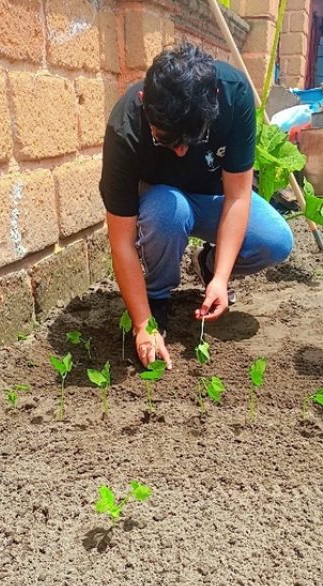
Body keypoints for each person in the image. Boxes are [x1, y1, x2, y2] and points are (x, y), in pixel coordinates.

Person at [100, 42, 294, 368]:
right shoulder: (126, 126)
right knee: (167, 209)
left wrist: (221, 276)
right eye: (166, 139)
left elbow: (238, 196)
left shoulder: (233, 94)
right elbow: (121, 241)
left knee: (276, 241)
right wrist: (142, 324)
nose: (180, 152)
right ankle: (156, 298)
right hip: (163, 203)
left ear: (213, 102)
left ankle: (208, 265)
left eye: (192, 139)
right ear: (145, 102)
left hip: (215, 198)